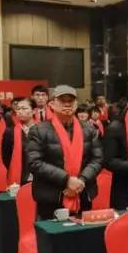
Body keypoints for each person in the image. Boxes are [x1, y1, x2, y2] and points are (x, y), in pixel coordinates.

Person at [27, 85, 103, 220]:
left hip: (83, 192)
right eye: (62, 100)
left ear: (76, 104)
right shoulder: (38, 130)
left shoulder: (90, 129)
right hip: (51, 196)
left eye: (71, 101)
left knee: (83, 232)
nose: (67, 104)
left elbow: (97, 159)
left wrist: (81, 180)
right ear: (51, 104)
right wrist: (66, 180)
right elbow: (34, 162)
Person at [0, 97, 35, 186]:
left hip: (39, 177)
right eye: (18, 109)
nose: (20, 111)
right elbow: (6, 157)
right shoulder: (9, 132)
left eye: (24, 108)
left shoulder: (43, 130)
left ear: (33, 111)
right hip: (20, 177)